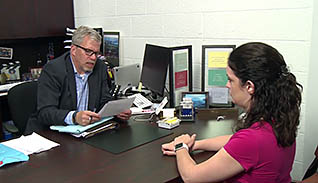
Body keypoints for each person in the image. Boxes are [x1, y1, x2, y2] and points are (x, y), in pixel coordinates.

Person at [161, 42, 303, 183]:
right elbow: (235, 140)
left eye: (231, 80)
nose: (227, 85)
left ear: (249, 86)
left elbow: (191, 177)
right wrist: (195, 145)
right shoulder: (279, 120)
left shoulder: (253, 140)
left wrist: (181, 146)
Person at [25, 26, 131, 133]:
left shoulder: (100, 67)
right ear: (74, 50)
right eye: (88, 51)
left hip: (83, 131)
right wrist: (75, 117)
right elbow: (45, 112)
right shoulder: (53, 70)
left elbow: (104, 100)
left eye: (96, 53)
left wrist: (116, 111)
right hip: (50, 133)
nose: (93, 58)